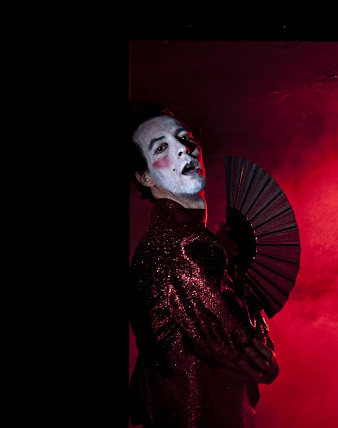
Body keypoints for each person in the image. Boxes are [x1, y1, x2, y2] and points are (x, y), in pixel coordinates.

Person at [127, 105, 279, 428]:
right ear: (144, 177)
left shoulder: (157, 245)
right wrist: (238, 278)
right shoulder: (187, 247)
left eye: (185, 138)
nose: (183, 149)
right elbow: (258, 360)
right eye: (161, 147)